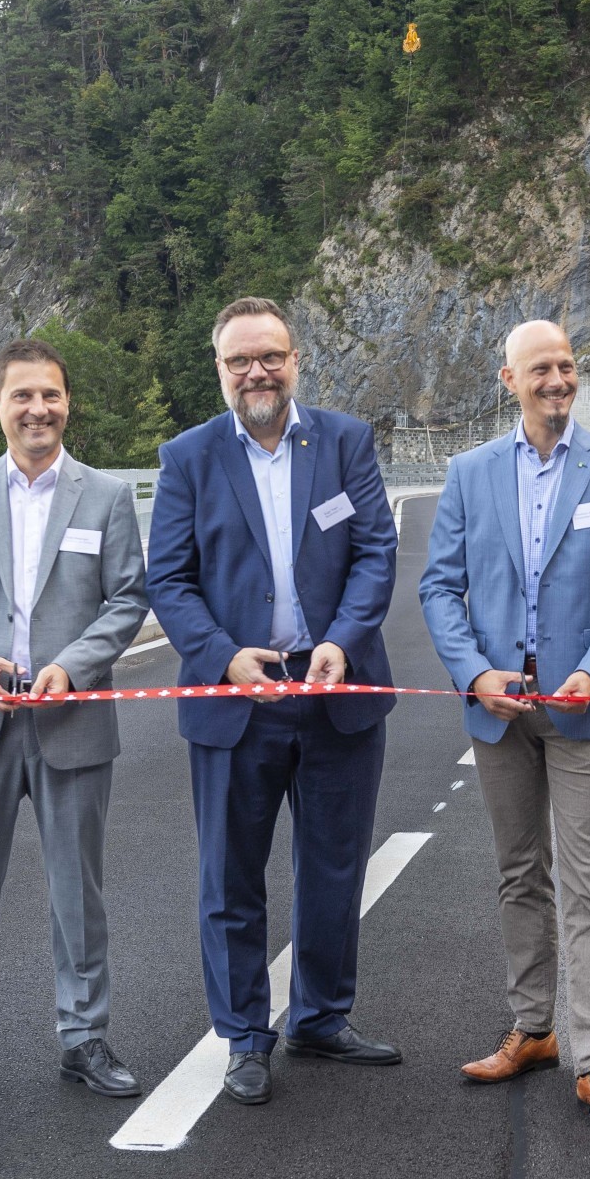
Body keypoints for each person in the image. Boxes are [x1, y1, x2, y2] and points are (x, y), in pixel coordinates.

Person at [145, 296, 399, 1107]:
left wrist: (344, 638)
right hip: (236, 699)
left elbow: (374, 551)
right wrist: (223, 657)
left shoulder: (346, 441)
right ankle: (246, 1036)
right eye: (239, 360)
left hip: (334, 688)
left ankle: (322, 1016)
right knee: (231, 877)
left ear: (296, 359)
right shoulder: (187, 458)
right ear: (219, 370)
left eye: (271, 356)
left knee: (333, 866)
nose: (257, 371)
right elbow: (169, 578)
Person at [420, 320, 590, 1133]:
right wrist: (475, 674)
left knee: (589, 885)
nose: (558, 380)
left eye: (567, 366)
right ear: (508, 378)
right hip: (500, 713)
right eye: (541, 369)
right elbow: (439, 589)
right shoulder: (469, 474)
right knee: (519, 874)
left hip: (585, 709)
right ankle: (533, 1028)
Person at [0, 338, 149, 1107]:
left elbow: (127, 599)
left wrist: (72, 665)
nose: (37, 409)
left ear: (67, 403)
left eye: (50, 395)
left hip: (70, 721)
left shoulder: (105, 496)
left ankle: (84, 1039)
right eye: (22, 396)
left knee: (80, 892)